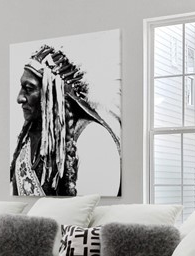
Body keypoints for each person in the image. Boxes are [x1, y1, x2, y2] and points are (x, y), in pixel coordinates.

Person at [11, 45, 121, 196]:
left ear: (53, 93)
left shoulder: (94, 138)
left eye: (29, 88)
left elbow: (95, 210)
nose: (20, 98)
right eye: (22, 88)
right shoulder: (28, 142)